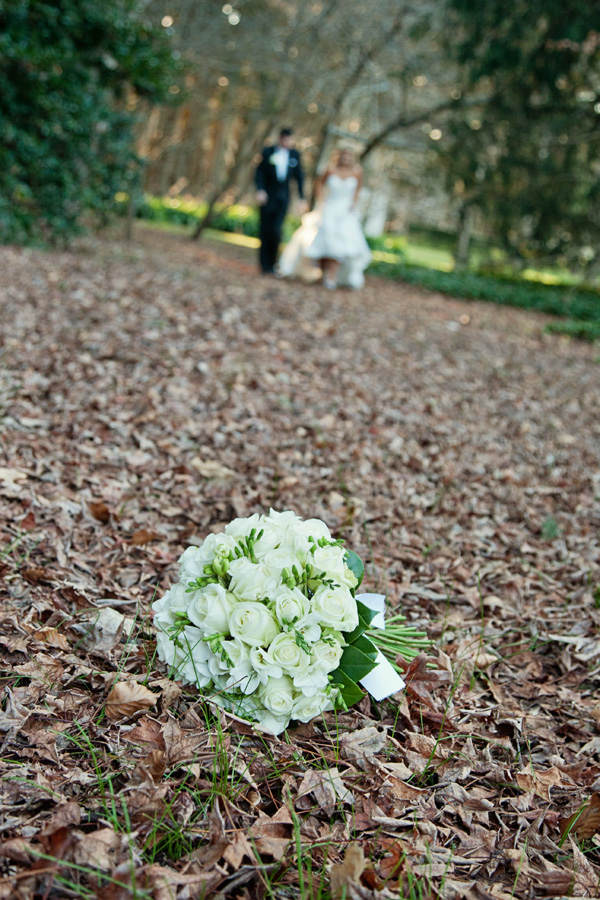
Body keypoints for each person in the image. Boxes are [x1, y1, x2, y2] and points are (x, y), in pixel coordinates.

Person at [278, 147, 372, 289]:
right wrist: (322, 200)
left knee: (341, 245)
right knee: (324, 243)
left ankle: (332, 275)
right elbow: (319, 184)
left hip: (346, 213)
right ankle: (322, 273)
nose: (346, 158)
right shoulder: (330, 169)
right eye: (344, 155)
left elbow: (358, 190)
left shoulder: (357, 172)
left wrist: (353, 203)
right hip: (329, 209)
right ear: (339, 156)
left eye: (349, 156)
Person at [255, 128, 306, 275]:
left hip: (283, 198)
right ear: (280, 138)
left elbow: (299, 177)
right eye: (284, 139)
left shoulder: (295, 155)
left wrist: (301, 198)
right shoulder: (268, 151)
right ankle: (264, 265)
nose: (286, 142)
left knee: (276, 230)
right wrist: (260, 190)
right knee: (265, 230)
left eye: (288, 139)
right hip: (267, 197)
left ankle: (273, 263)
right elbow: (259, 172)